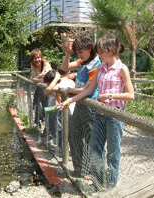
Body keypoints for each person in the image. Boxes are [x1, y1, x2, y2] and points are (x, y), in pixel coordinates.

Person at [60, 33, 134, 189]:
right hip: (100, 115)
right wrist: (69, 101)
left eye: (101, 52)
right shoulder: (100, 67)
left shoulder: (122, 68)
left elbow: (130, 95)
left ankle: (111, 186)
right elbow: (88, 90)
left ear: (111, 51)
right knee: (95, 149)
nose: (98, 55)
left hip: (114, 115)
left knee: (113, 153)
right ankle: (98, 183)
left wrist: (110, 95)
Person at [57, 34, 101, 178]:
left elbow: (88, 90)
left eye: (81, 52)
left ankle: (95, 175)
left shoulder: (96, 64)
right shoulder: (83, 61)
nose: (80, 55)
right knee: (74, 135)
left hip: (90, 106)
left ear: (89, 48)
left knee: (91, 139)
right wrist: (68, 53)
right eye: (78, 53)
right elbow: (64, 68)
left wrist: (70, 91)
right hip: (79, 103)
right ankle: (80, 170)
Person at [44, 69, 75, 148]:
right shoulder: (64, 82)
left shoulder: (61, 84)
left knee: (61, 128)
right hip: (63, 109)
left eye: (48, 84)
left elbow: (47, 91)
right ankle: (59, 144)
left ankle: (61, 148)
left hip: (67, 110)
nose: (47, 85)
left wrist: (56, 79)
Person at [30, 48, 52, 127]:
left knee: (47, 105)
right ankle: (37, 121)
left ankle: (47, 125)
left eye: (38, 57)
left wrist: (37, 77)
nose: (37, 60)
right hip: (41, 87)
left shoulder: (46, 64)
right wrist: (39, 79)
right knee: (36, 101)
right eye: (35, 58)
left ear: (41, 57)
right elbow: (33, 78)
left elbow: (44, 75)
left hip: (49, 88)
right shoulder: (33, 65)